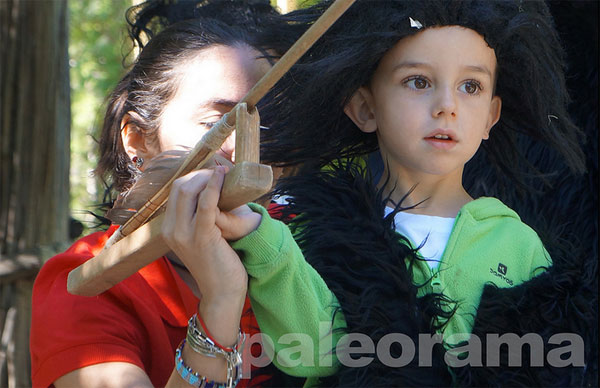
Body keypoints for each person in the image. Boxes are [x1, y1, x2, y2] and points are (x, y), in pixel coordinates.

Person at [226, 0, 597, 386]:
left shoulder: (518, 243)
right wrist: (262, 241)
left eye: (471, 86)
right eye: (418, 81)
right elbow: (308, 353)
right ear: (365, 108)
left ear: (490, 115)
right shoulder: (323, 228)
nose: (447, 107)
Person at [29, 1, 299, 387]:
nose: (246, 150)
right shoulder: (88, 283)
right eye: (217, 124)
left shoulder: (311, 246)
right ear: (137, 139)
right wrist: (222, 299)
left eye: (264, 127)